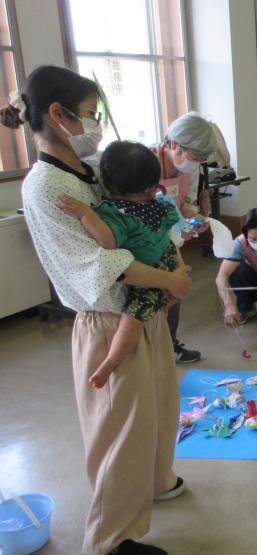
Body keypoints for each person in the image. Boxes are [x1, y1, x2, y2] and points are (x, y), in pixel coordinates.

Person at [3, 65, 190, 555]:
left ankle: (153, 481)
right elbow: (107, 263)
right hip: (108, 319)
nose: (95, 124)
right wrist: (171, 279)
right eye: (89, 114)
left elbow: (134, 224)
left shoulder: (88, 172)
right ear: (57, 115)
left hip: (141, 312)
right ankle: (109, 540)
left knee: (159, 408)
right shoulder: (44, 187)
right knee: (120, 433)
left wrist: (171, 258)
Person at [58, 141, 184, 389]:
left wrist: (86, 215)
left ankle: (112, 361)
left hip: (150, 274)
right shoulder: (160, 204)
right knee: (162, 303)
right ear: (150, 187)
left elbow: (107, 241)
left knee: (132, 321)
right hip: (167, 260)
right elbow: (172, 231)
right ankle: (164, 303)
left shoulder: (114, 213)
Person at [155, 112, 218, 364]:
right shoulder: (144, 164)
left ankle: (170, 345)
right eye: (195, 156)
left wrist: (195, 220)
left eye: (203, 159)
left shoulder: (189, 172)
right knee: (151, 299)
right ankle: (151, 352)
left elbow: (187, 205)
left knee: (176, 288)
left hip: (168, 242)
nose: (198, 163)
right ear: (174, 145)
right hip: (143, 241)